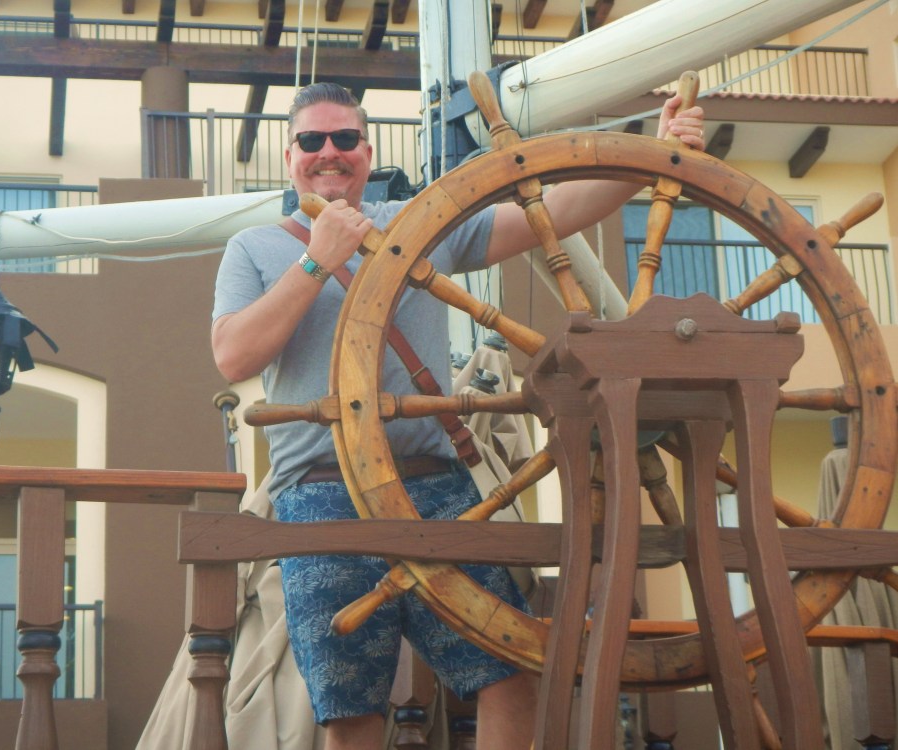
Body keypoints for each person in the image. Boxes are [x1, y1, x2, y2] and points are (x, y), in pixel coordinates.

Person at [211, 81, 705, 750]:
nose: (329, 152)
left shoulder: (421, 221)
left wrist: (654, 153)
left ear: (367, 151)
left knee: (511, 676)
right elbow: (234, 356)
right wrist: (315, 260)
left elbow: (551, 214)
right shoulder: (253, 249)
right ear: (289, 155)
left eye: (345, 138)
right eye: (312, 140)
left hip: (434, 484)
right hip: (320, 495)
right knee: (350, 713)